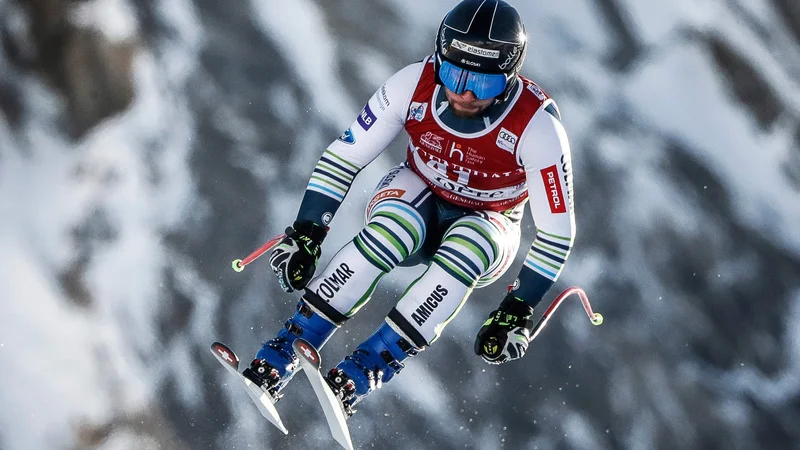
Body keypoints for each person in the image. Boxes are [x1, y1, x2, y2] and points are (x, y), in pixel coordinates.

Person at [244, 0, 576, 416]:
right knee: (393, 228)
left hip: (491, 219)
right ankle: (280, 354)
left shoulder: (538, 126)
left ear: (510, 79)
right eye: (454, 74)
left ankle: (363, 371)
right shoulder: (411, 84)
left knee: (469, 245)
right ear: (438, 61)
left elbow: (557, 231)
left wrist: (518, 307)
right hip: (417, 190)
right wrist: (309, 232)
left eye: (486, 85)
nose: (466, 93)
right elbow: (344, 156)